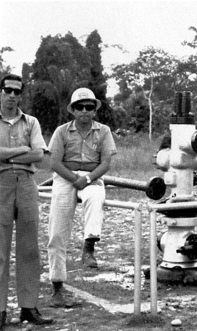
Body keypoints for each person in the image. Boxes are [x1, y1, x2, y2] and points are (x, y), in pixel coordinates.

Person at [47, 88, 117, 308]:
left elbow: (105, 163)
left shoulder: (104, 131)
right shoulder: (61, 132)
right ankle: (57, 286)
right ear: (73, 110)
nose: (84, 111)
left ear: (95, 110)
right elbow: (54, 162)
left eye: (89, 107)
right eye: (80, 107)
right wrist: (73, 179)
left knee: (96, 197)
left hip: (91, 176)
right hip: (64, 177)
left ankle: (89, 245)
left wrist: (86, 180)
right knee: (57, 231)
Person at [0, 74, 54, 331]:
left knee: (29, 247)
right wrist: (22, 152)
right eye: (7, 90)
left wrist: (6, 155)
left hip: (28, 186)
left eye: (16, 91)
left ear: (21, 95)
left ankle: (29, 306)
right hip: (0, 185)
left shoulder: (31, 122)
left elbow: (40, 155)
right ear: (0, 92)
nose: (11, 95)